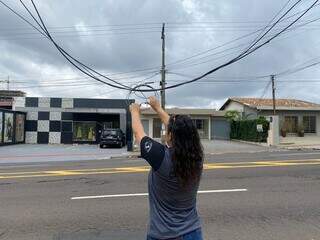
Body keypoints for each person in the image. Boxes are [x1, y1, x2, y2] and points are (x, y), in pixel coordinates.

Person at [129, 96, 204, 240]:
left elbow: (139, 134)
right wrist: (157, 107)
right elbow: (180, 131)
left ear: (171, 135)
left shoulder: (161, 157)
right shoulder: (197, 157)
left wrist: (134, 111)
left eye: (168, 130)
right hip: (192, 232)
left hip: (164, 235)